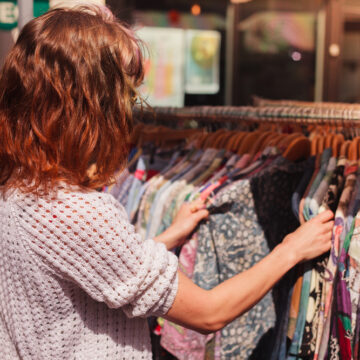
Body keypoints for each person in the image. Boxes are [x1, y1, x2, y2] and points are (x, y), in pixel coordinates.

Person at [0, 6, 334, 360]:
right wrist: (291, 249)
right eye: (124, 96)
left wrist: (169, 236)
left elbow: (91, 269)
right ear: (90, 107)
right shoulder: (76, 211)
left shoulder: (15, 189)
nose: (128, 109)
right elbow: (208, 312)